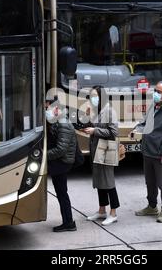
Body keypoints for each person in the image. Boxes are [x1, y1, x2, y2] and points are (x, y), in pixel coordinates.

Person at [134, 81, 162, 223]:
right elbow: (144, 123)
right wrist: (136, 129)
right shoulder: (153, 107)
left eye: (159, 92)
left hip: (160, 154)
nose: (156, 94)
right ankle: (151, 206)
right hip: (148, 151)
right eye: (155, 91)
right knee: (150, 182)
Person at [84, 85, 120, 226]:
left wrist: (95, 131)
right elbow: (91, 127)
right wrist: (88, 116)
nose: (92, 99)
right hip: (96, 150)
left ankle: (113, 212)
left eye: (95, 96)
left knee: (108, 181)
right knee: (99, 180)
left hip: (106, 150)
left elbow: (113, 132)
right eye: (91, 96)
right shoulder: (95, 110)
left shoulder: (110, 110)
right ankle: (101, 210)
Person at [46, 96, 77, 232]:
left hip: (62, 163)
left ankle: (69, 223)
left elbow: (61, 149)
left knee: (62, 193)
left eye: (47, 108)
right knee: (61, 192)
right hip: (59, 162)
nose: (46, 111)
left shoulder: (63, 123)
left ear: (56, 108)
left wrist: (44, 155)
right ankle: (67, 221)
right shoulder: (57, 121)